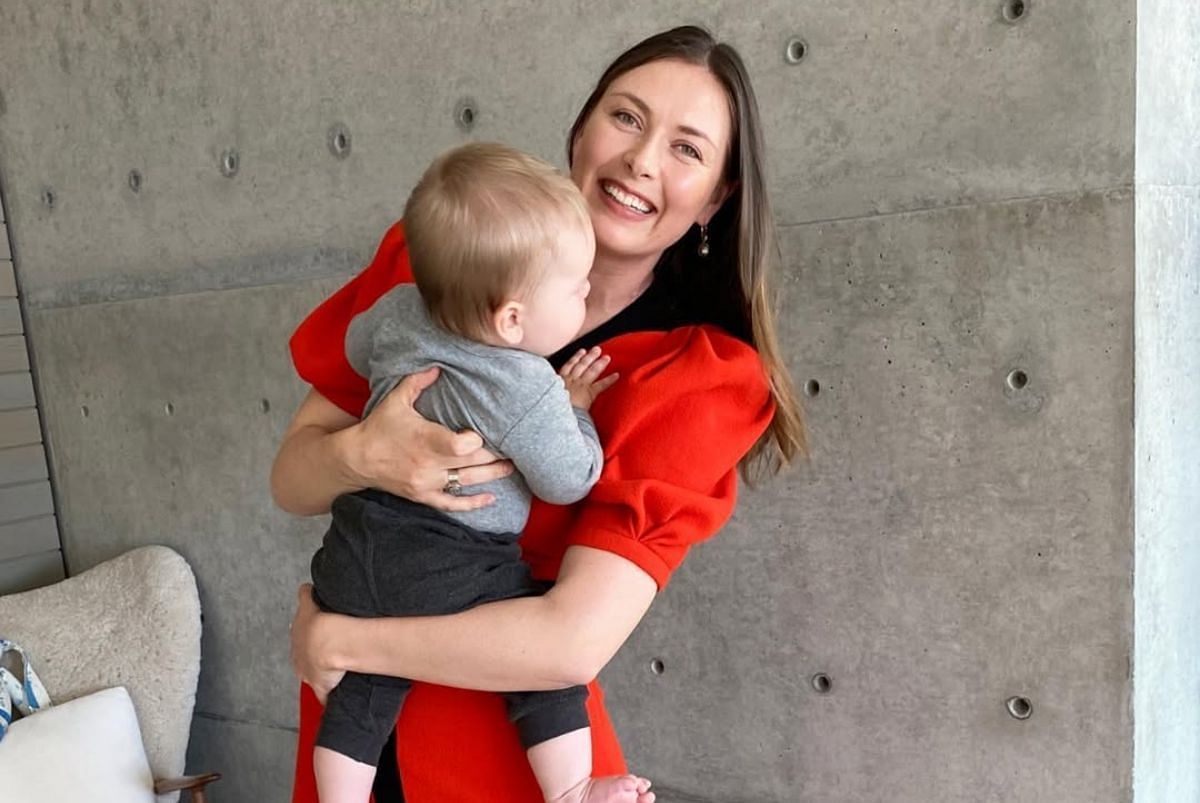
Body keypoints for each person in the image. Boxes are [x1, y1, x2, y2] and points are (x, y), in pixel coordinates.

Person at [273, 24, 808, 803]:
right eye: (626, 117)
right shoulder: (439, 259)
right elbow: (292, 477)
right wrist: (365, 455)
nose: (642, 160)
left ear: (716, 199)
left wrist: (337, 636)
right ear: (581, 128)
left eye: (687, 149)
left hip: (504, 748)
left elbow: (569, 641)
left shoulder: (700, 376)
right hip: (350, 735)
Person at [308, 141, 652, 803]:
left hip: (353, 546)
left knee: (364, 689)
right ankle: (573, 789)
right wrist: (574, 407)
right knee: (541, 664)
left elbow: (356, 347)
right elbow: (570, 477)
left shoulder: (402, 308)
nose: (587, 293)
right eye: (577, 287)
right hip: (449, 559)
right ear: (512, 318)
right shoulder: (524, 384)